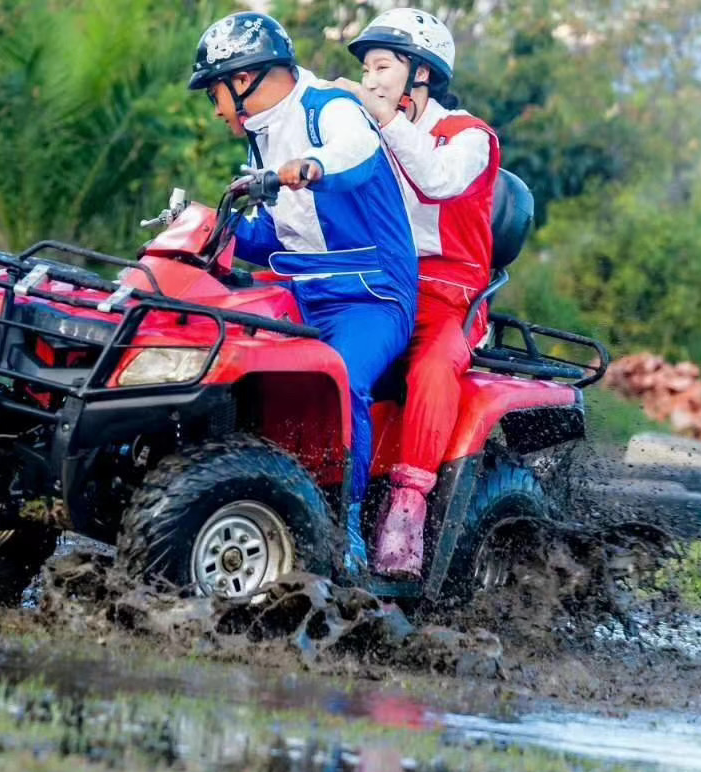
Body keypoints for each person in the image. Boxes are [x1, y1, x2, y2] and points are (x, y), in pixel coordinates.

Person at [188, 11, 419, 573]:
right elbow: (277, 238)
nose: (216, 110)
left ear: (243, 81)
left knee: (340, 377)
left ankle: (349, 531)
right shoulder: (262, 140)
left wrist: (310, 166)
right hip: (298, 291)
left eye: (215, 93)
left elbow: (356, 157)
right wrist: (206, 226)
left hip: (372, 294)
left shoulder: (330, 110)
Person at [338, 8, 501, 579]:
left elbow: (436, 180)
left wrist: (382, 122)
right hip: (372, 282)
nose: (371, 79)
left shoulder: (470, 138)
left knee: (433, 368)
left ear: (422, 74)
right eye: (366, 69)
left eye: (383, 66)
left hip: (448, 298)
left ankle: (407, 512)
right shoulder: (367, 128)